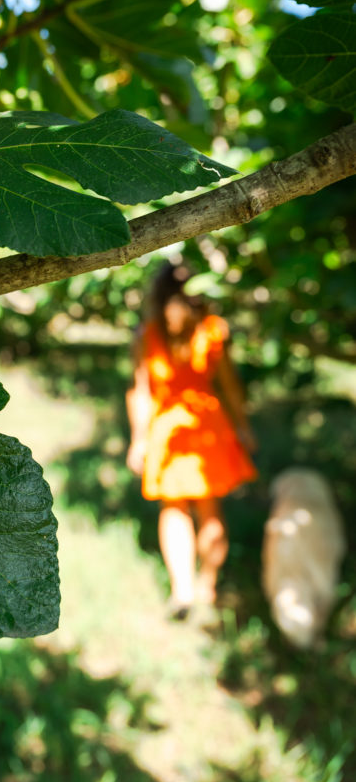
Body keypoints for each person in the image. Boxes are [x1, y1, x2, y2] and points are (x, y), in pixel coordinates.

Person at [126, 262, 257, 618]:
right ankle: (207, 584)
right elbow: (229, 384)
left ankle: (182, 589)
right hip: (207, 424)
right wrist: (242, 427)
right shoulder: (213, 329)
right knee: (209, 509)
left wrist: (138, 439)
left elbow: (141, 392)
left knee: (174, 508)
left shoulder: (148, 333)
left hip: (169, 428)